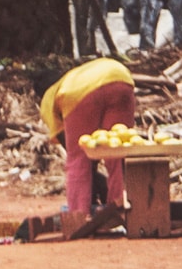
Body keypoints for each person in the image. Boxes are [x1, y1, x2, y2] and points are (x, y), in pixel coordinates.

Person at [38, 56, 138, 226]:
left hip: (78, 94)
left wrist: (90, 165)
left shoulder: (51, 95)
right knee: (118, 152)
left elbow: (69, 145)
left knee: (78, 161)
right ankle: (120, 211)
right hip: (120, 76)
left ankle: (78, 218)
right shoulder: (75, 76)